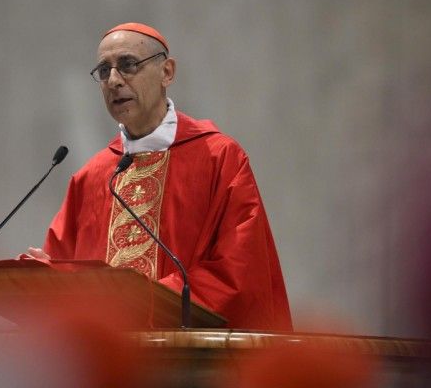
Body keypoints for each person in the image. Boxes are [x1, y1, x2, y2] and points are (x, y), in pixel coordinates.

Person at [28, 22, 292, 330]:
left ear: (167, 72)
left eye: (128, 64)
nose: (114, 80)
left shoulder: (218, 158)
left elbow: (240, 272)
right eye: (104, 70)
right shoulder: (92, 177)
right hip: (110, 359)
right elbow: (66, 272)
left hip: (187, 354)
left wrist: (142, 298)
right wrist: (47, 277)